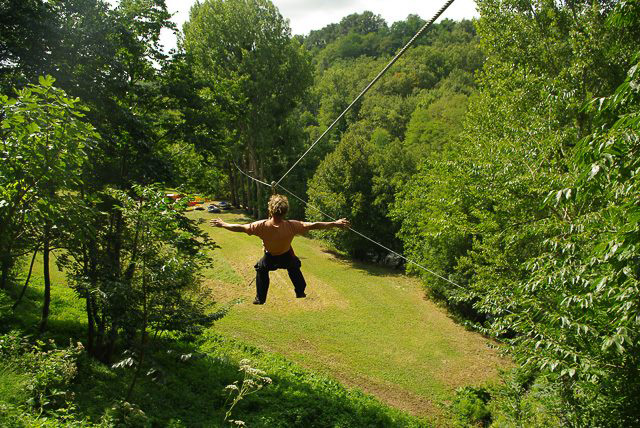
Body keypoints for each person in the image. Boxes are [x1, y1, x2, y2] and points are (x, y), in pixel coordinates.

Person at [210, 194, 350, 304]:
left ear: (270, 210)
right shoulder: (292, 225)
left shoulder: (261, 226)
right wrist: (335, 223)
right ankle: (300, 291)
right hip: (286, 256)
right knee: (294, 267)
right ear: (285, 212)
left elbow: (239, 228)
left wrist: (223, 224)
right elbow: (314, 225)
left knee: (261, 268)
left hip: (270, 257)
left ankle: (260, 298)